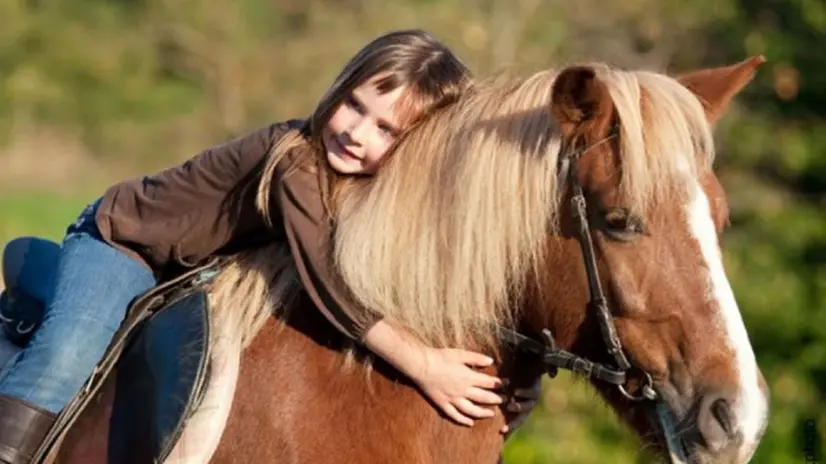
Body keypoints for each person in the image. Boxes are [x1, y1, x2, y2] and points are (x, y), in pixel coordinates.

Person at [0, 29, 541, 463]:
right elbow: (331, 278)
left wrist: (514, 383)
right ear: (338, 88)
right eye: (353, 105)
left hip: (200, 265)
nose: (357, 133)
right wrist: (422, 364)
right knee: (69, 350)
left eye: (387, 131)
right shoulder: (294, 159)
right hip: (124, 245)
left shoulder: (378, 191)